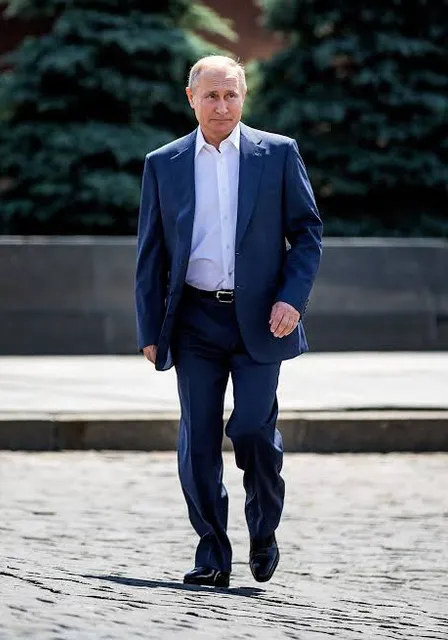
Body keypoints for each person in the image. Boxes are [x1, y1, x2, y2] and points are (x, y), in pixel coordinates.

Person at [135, 55, 322, 588]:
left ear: (244, 97)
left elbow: (307, 233)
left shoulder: (278, 154)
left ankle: (263, 529)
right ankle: (211, 550)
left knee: (253, 429)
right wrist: (150, 329)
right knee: (198, 440)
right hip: (193, 318)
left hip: (263, 318)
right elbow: (150, 252)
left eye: (231, 95)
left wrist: (292, 299)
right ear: (190, 97)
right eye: (211, 96)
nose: (222, 106)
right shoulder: (163, 162)